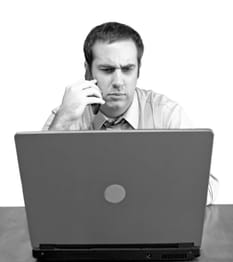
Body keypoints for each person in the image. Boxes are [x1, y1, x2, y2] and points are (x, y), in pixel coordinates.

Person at [43, 21, 218, 204]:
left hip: (151, 227)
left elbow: (207, 189)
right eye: (107, 70)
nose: (118, 81)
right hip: (86, 228)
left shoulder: (166, 114)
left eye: (127, 69)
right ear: (88, 71)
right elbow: (39, 188)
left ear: (138, 70)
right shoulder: (66, 116)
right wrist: (62, 121)